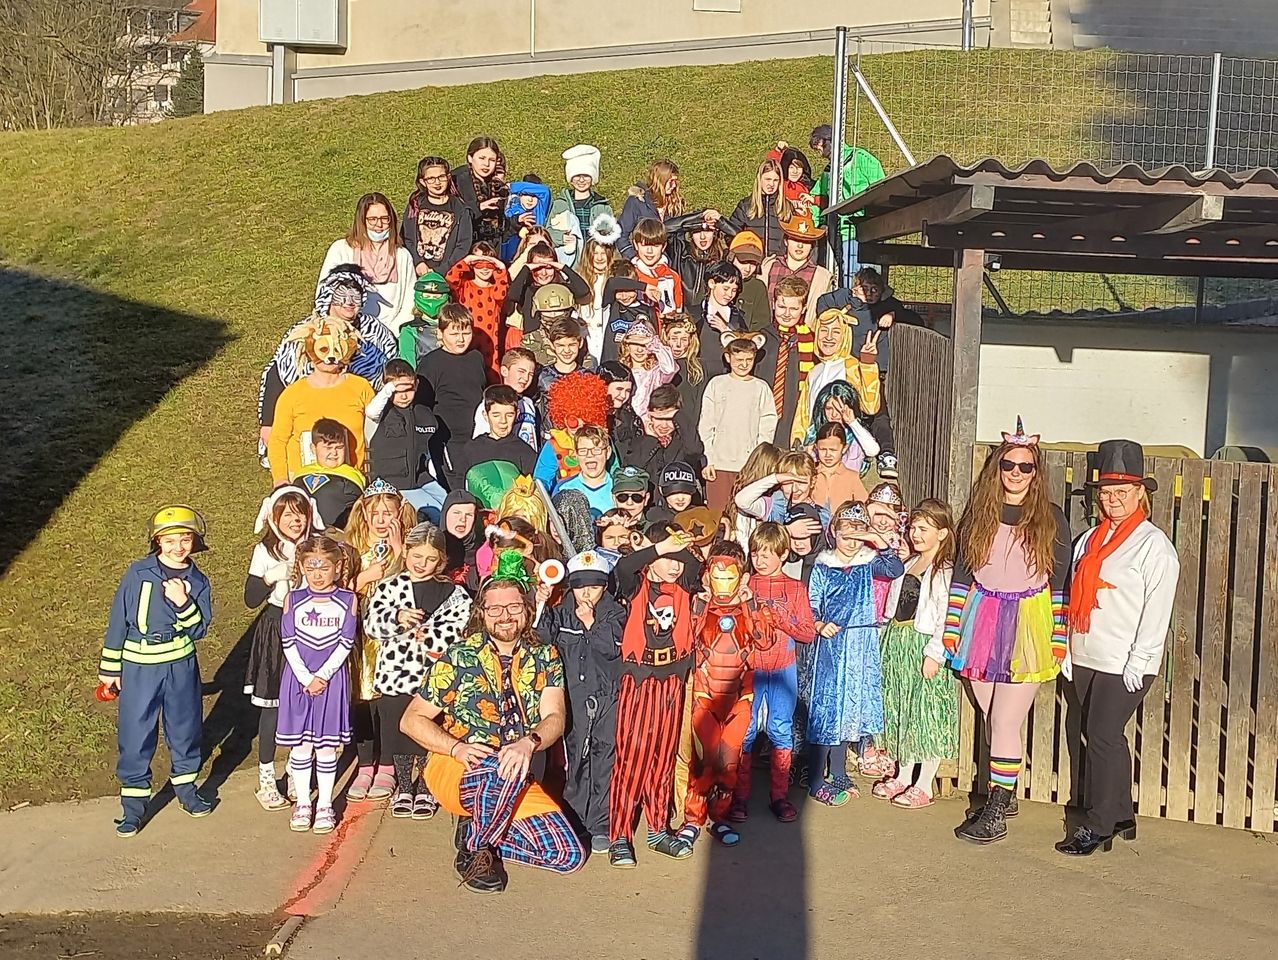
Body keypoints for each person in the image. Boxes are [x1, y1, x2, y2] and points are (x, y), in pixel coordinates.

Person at [400, 557, 585, 893]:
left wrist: (528, 742)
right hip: (458, 765)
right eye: (495, 608)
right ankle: (474, 850)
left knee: (568, 855)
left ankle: (482, 829)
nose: (505, 615)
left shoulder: (545, 655)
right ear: (481, 613)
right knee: (496, 767)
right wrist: (456, 748)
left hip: (516, 765)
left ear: (528, 610)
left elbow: (555, 718)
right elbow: (411, 720)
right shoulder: (459, 656)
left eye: (514, 606)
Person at [943, 418, 1071, 844]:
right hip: (981, 618)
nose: (1016, 473)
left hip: (1027, 623)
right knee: (988, 709)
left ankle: (996, 809)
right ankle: (1007, 789)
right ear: (997, 467)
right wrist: (952, 625)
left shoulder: (1051, 518)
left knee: (1004, 719)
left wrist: (1056, 634)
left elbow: (1060, 581)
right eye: (1009, 465)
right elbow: (962, 572)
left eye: (1026, 466)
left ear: (1037, 472)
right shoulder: (979, 513)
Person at [1058, 440, 1179, 856]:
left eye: (1122, 492)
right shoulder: (1089, 540)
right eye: (1106, 492)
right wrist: (1067, 649)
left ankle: (1099, 823)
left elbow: (1156, 609)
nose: (1113, 500)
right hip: (1086, 654)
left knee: (1103, 735)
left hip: (1124, 660)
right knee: (1105, 737)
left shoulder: (1154, 547)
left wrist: (1140, 659)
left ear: (1140, 493)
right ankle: (1122, 812)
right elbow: (1072, 596)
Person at [99, 506, 213, 837]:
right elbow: (118, 620)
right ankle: (133, 808)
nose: (179, 547)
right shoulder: (138, 573)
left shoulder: (198, 581)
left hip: (180, 666)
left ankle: (187, 791)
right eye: (170, 540)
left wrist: (183, 603)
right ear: (157, 541)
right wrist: (110, 668)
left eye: (186, 539)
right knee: (136, 734)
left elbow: (200, 628)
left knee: (185, 728)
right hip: (139, 667)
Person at [607, 524, 701, 866]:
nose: (675, 565)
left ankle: (658, 828)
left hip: (672, 678)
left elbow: (694, 566)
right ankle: (619, 834)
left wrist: (679, 546)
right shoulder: (637, 584)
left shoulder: (685, 585)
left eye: (678, 559)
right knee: (632, 758)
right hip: (640, 679)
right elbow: (623, 568)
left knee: (663, 758)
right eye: (667, 558)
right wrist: (658, 547)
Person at [364, 523, 472, 820]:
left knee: (429, 729)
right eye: (417, 557)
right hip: (396, 674)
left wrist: (434, 636)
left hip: (431, 675)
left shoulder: (453, 592)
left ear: (442, 561)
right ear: (407, 551)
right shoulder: (390, 586)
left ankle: (425, 785)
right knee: (398, 730)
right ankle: (403, 784)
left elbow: (461, 625)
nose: (423, 565)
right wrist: (397, 617)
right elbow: (371, 624)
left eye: (431, 560)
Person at [677, 541, 775, 848]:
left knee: (729, 762)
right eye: (715, 574)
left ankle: (719, 818)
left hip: (740, 697)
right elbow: (685, 640)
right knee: (703, 760)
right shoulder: (697, 605)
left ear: (742, 577)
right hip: (705, 695)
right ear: (706, 576)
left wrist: (750, 605)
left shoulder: (752, 606)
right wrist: (701, 605)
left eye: (729, 575)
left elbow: (765, 641)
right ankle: (693, 819)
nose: (722, 582)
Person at [806, 502, 904, 805]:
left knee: (850, 709)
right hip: (833, 645)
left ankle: (837, 770)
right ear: (833, 533)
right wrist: (820, 624)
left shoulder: (868, 562)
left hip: (861, 644)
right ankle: (815, 778)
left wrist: (878, 541)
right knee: (828, 707)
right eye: (845, 534)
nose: (851, 542)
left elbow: (895, 569)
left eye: (857, 535)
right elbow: (811, 604)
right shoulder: (823, 566)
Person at [258, 266, 397, 461]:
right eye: (342, 295)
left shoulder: (376, 334)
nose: (349, 302)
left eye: (355, 296)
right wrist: (268, 423)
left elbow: (390, 373)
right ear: (329, 295)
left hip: (357, 420)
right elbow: (278, 373)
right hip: (308, 418)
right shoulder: (306, 331)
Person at [536, 548, 625, 853]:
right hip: (572, 696)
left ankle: (600, 822)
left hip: (607, 696)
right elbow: (542, 638)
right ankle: (574, 819)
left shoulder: (615, 612)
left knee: (603, 757)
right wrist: (541, 604)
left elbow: (614, 650)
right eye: (580, 586)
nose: (587, 593)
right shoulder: (560, 611)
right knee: (574, 757)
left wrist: (591, 623)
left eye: (595, 586)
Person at [873, 499, 959, 809]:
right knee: (902, 708)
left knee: (925, 712)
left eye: (924, 529)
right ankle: (904, 772)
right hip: (898, 642)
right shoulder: (908, 564)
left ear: (943, 534)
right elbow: (892, 606)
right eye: (913, 528)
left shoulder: (944, 571)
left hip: (922, 644)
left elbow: (946, 615)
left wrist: (935, 653)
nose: (916, 534)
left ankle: (926, 783)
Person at [733, 522, 816, 822]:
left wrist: (781, 620)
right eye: (756, 553)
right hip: (750, 668)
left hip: (783, 668)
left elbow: (807, 633)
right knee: (746, 730)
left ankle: (779, 796)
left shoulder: (795, 588)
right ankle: (739, 796)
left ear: (783, 554)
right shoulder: (744, 585)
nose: (761, 559)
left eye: (768, 553)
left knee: (781, 729)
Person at [245, 487, 322, 811]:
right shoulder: (266, 551)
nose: (295, 519)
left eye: (300, 512)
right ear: (274, 517)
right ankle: (266, 778)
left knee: (305, 704)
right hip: (277, 628)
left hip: (312, 627)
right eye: (287, 513)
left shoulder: (318, 545)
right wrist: (271, 577)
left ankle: (295, 770)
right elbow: (250, 599)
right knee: (273, 706)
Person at [278, 534, 359, 835]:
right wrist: (305, 677)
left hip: (331, 680)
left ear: (337, 568)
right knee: (301, 746)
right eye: (311, 568)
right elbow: (287, 641)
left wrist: (322, 676)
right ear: (301, 567)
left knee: (326, 747)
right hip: (298, 680)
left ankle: (324, 803)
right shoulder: (293, 599)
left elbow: (345, 643)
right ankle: (302, 803)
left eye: (324, 568)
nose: (317, 575)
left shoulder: (348, 600)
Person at [345, 479, 418, 802]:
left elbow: (417, 583)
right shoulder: (350, 547)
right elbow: (335, 587)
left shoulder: (408, 546)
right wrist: (364, 577)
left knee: (389, 701)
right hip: (360, 635)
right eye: (375, 513)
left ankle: (387, 764)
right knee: (361, 701)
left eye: (388, 513)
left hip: (392, 639)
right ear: (364, 514)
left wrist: (401, 550)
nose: (381, 519)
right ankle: (365, 763)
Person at [267, 317, 375, 485]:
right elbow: (278, 440)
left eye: (337, 348)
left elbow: (376, 432)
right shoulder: (293, 394)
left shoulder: (360, 387)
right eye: (324, 349)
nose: (331, 356)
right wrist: (281, 479)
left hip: (351, 480)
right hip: (303, 481)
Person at [699, 333, 778, 514]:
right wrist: (709, 458)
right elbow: (706, 424)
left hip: (747, 465)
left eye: (749, 360)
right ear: (728, 358)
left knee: (743, 516)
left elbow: (767, 425)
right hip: (719, 463)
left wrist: (758, 462)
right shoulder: (716, 384)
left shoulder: (761, 388)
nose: (743, 364)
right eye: (739, 359)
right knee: (717, 515)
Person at [319, 193, 415, 334]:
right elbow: (324, 293)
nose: (379, 225)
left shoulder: (402, 255)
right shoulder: (341, 250)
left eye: (384, 219)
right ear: (362, 221)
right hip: (346, 331)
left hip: (390, 333)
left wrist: (392, 332)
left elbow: (409, 300)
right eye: (372, 219)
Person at [364, 359, 447, 520]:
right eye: (396, 391)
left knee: (450, 508)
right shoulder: (379, 415)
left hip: (421, 480)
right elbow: (371, 411)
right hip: (391, 485)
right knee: (435, 515)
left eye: (408, 389)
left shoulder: (424, 414)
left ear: (415, 385)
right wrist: (389, 388)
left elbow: (429, 453)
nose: (402, 396)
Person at [808, 124, 886, 282]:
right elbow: (817, 197)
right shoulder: (829, 171)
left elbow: (881, 190)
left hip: (868, 230)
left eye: (820, 149)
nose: (821, 155)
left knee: (868, 276)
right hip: (844, 232)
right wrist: (815, 225)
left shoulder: (862, 159)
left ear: (827, 142)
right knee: (850, 275)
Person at [417, 303, 490, 462]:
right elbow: (421, 405)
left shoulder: (476, 358)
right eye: (454, 334)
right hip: (447, 440)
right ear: (440, 333)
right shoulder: (431, 363)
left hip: (477, 436)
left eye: (466, 333)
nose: (461, 339)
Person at [753, 276, 815, 446]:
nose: (787, 314)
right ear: (774, 305)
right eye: (782, 307)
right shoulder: (761, 338)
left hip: (792, 414)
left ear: (803, 309)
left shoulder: (809, 340)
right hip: (760, 412)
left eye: (794, 309)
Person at [533, 370, 612, 489]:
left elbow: (615, 473)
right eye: (568, 416)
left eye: (581, 417)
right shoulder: (555, 444)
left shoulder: (601, 440)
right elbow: (541, 479)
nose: (573, 423)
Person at [446, 243, 511, 378]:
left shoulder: (495, 289)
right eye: (479, 263)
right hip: (466, 341)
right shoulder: (465, 286)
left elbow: (502, 292)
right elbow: (450, 279)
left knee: (491, 377)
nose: (485, 268)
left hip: (490, 348)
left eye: (489, 264)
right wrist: (466, 260)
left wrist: (501, 267)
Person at [402, 156, 473, 277]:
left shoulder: (460, 208)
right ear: (422, 181)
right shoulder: (415, 205)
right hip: (416, 271)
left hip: (447, 275)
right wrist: (418, 262)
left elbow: (463, 245)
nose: (437, 182)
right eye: (431, 178)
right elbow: (407, 238)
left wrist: (441, 270)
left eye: (441, 177)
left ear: (448, 177)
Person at [761, 209, 834, 323]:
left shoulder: (821, 277)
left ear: (812, 245)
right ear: (786, 241)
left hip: (806, 337)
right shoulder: (769, 267)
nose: (800, 245)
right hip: (769, 333)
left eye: (805, 241)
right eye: (795, 239)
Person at [506, 246, 592, 342]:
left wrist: (564, 268)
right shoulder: (527, 290)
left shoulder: (563, 289)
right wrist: (525, 269)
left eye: (549, 268)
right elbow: (512, 295)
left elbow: (583, 291)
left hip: (562, 344)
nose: (544, 273)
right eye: (538, 268)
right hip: (535, 344)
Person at [292, 419, 366, 528]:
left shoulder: (353, 475)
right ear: (313, 448)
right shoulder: (300, 474)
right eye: (328, 448)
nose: (334, 453)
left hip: (339, 534)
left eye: (339, 447)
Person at [457, 384, 539, 482]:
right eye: (496, 415)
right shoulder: (472, 449)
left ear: (517, 415)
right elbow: (459, 484)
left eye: (509, 415)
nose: (503, 421)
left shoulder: (526, 453)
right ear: (485, 415)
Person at [549, 144, 613, 257]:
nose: (581, 180)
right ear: (570, 179)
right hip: (569, 262)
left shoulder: (602, 206)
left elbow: (612, 234)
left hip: (594, 260)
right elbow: (549, 232)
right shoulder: (560, 204)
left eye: (586, 175)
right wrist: (561, 238)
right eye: (577, 176)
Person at [618, 159, 685, 259]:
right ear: (660, 180)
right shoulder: (637, 202)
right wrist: (633, 258)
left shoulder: (675, 204)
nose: (674, 186)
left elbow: (680, 240)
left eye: (675, 182)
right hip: (641, 263)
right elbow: (621, 235)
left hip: (668, 264)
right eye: (670, 182)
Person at [474, 346, 538, 449]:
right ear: (504, 371)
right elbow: (480, 443)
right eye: (521, 372)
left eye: (530, 374)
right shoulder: (490, 404)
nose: (526, 378)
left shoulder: (528, 403)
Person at [691, 261, 747, 380]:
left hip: (727, 376)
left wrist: (725, 330)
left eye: (734, 290)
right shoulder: (694, 314)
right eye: (726, 288)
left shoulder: (737, 318)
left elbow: (745, 348)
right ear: (712, 283)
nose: (730, 294)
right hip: (699, 374)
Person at [728, 158, 792, 258]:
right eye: (767, 179)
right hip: (752, 264)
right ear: (760, 179)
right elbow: (730, 234)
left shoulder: (787, 207)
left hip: (778, 265)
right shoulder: (746, 205)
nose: (771, 184)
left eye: (775, 180)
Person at [451, 136, 507, 249]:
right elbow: (451, 212)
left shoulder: (497, 184)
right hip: (464, 244)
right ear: (470, 158)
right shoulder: (457, 180)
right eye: (482, 158)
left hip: (492, 245)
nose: (486, 164)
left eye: (492, 160)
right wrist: (479, 207)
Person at [618, 320, 677, 421]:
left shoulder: (656, 372)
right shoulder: (620, 371)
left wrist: (654, 343)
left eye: (644, 345)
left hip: (649, 425)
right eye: (635, 344)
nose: (639, 350)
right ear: (627, 346)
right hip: (624, 424)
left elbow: (670, 369)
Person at [553, 424, 614, 514]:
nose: (589, 455)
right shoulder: (564, 488)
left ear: (608, 452)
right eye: (583, 451)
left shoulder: (618, 486)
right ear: (576, 454)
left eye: (596, 450)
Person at [629, 218, 684, 317]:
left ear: (663, 247)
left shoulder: (672, 276)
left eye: (655, 246)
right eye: (644, 245)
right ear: (636, 245)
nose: (649, 251)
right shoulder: (630, 274)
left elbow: (678, 311)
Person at [812, 423, 869, 510]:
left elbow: (864, 506)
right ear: (816, 448)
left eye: (833, 450)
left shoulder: (852, 477)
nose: (828, 454)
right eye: (823, 449)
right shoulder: (810, 474)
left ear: (844, 448)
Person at [727, 231, 772, 332]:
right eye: (743, 262)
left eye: (753, 263)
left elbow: (762, 325)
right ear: (731, 257)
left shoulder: (757, 287)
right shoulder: (717, 280)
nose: (748, 268)